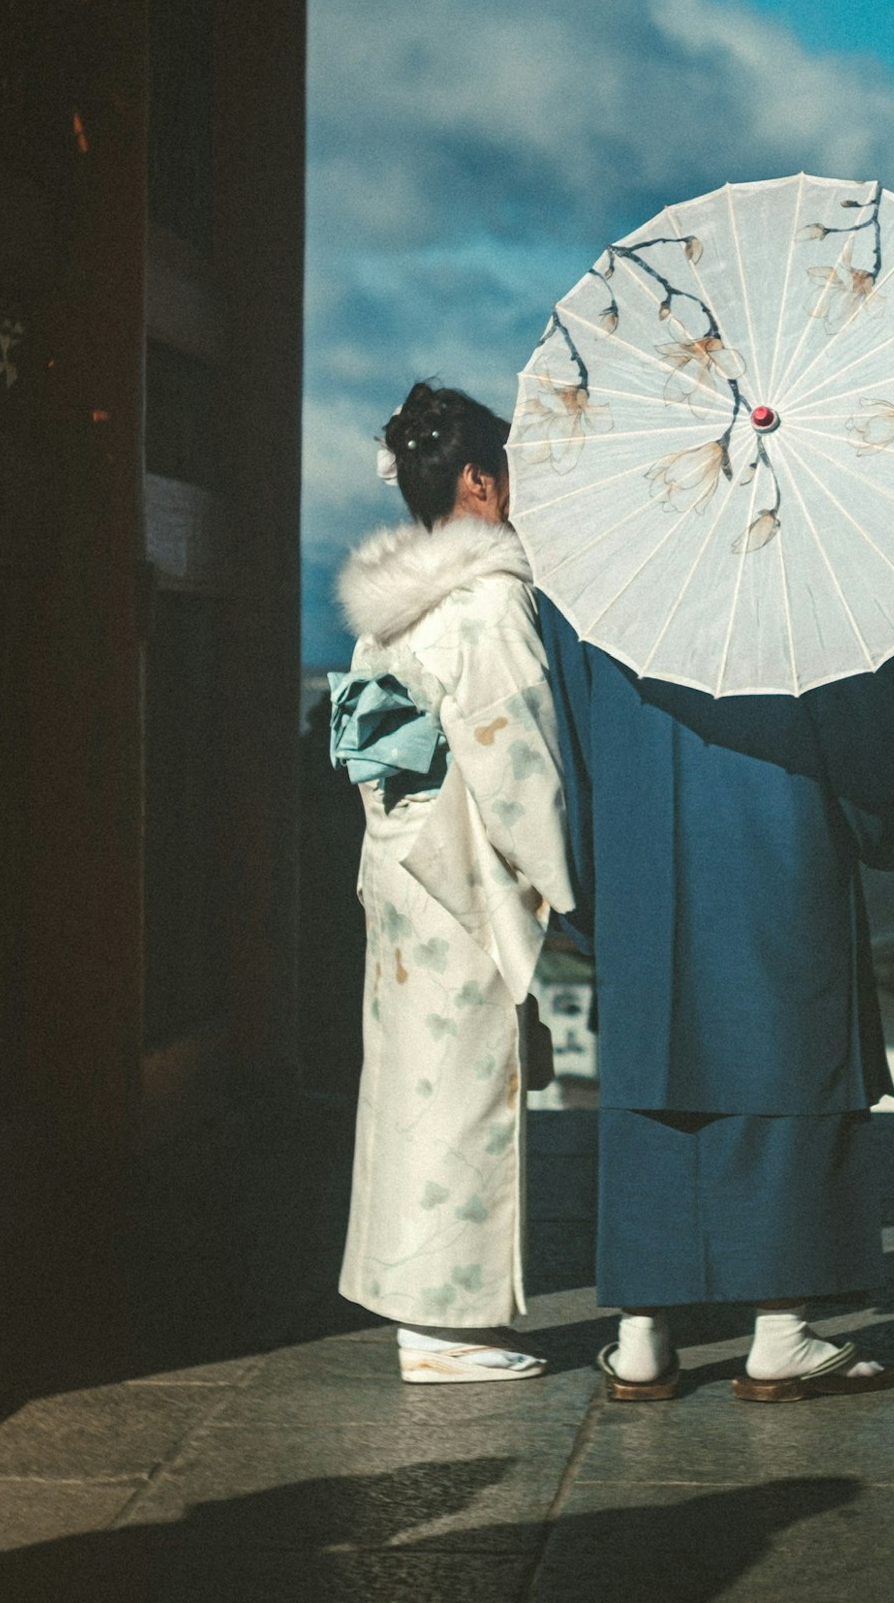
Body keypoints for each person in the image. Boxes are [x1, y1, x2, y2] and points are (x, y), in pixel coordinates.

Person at [538, 599, 894, 1401]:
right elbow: (875, 687)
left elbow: (565, 737)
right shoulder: (800, 559)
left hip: (638, 844)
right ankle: (780, 1334)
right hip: (775, 830)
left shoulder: (600, 569)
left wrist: (584, 889)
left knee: (652, 1078)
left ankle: (641, 1338)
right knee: (785, 1061)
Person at [331, 382, 573, 1383]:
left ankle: (418, 1306)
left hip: (400, 859)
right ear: (477, 479)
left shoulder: (397, 603)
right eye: (507, 468)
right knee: (465, 1092)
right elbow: (515, 750)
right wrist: (564, 871)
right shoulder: (487, 597)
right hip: (460, 865)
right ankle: (441, 1325)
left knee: (411, 1088)